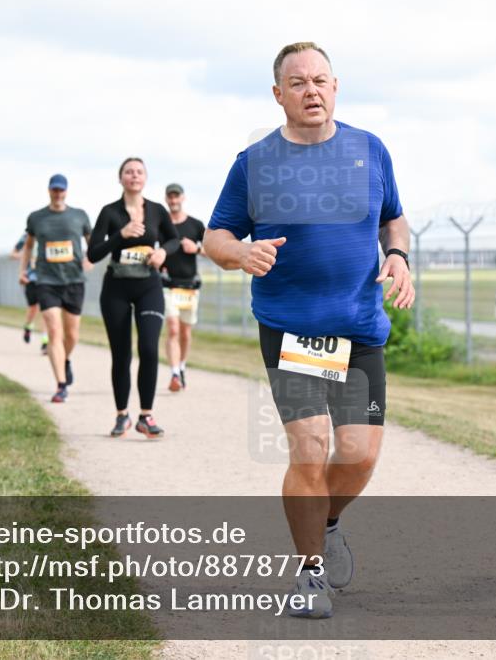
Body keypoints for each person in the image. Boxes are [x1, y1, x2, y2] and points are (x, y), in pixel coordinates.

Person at [204, 42, 414, 618]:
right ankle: (310, 574)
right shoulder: (255, 163)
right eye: (297, 83)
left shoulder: (369, 150)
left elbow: (394, 216)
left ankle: (326, 522)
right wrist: (240, 253)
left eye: (320, 80)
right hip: (291, 329)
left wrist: (397, 255)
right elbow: (215, 236)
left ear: (336, 86)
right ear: (279, 95)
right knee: (311, 446)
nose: (311, 90)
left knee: (359, 454)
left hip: (361, 327)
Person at [88, 158, 179, 437]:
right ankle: (122, 415)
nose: (134, 176)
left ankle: (146, 416)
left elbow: (173, 240)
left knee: (149, 348)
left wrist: (163, 252)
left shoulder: (156, 210)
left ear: (145, 178)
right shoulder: (109, 212)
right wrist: (121, 234)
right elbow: (93, 254)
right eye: (129, 172)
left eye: (139, 172)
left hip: (148, 286)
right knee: (122, 353)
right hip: (116, 287)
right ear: (121, 179)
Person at [20, 174, 92, 403]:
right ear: (49, 190)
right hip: (46, 281)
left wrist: (90, 260)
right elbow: (29, 245)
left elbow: (93, 242)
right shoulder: (36, 218)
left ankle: (65, 360)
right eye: (54, 190)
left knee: (72, 334)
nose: (57, 194)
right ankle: (61, 385)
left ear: (66, 191)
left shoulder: (79, 216)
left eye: (61, 190)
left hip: (73, 280)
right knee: (53, 331)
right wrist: (24, 270)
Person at [161, 183, 205, 392]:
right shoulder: (162, 224)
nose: (173, 200)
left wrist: (195, 248)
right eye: (170, 197)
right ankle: (174, 374)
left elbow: (212, 250)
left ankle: (182, 366)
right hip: (168, 285)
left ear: (183, 198)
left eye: (176, 196)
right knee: (173, 329)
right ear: (166, 199)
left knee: (185, 333)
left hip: (189, 288)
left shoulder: (195, 225)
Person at [12, 230, 48, 354]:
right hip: (31, 278)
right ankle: (28, 326)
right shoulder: (27, 237)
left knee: (46, 310)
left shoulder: (50, 234)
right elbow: (13, 254)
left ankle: (45, 342)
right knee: (33, 308)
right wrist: (27, 256)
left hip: (47, 279)